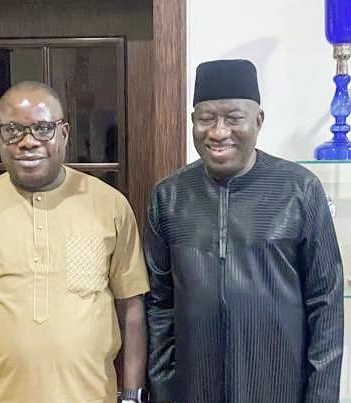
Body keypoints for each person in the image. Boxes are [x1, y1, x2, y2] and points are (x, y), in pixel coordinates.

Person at [0, 81, 150, 403]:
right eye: (13, 130)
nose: (28, 142)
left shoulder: (110, 206)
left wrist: (131, 396)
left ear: (65, 133)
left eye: (43, 129)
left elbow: (131, 307)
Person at [144, 59, 344, 403]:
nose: (219, 132)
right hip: (194, 388)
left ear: (258, 120)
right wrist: (163, 388)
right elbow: (159, 304)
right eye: (206, 118)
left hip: (279, 387)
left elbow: (326, 304)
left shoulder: (299, 190)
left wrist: (321, 396)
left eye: (234, 118)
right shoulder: (170, 196)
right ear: (192, 122)